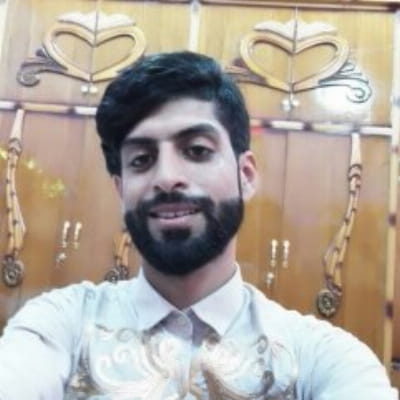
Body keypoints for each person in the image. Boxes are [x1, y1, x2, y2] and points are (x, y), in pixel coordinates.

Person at [0, 51, 397, 400]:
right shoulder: (62, 324)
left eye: (197, 151)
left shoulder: (319, 355)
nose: (166, 177)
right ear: (121, 189)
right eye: (141, 160)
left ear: (246, 175)